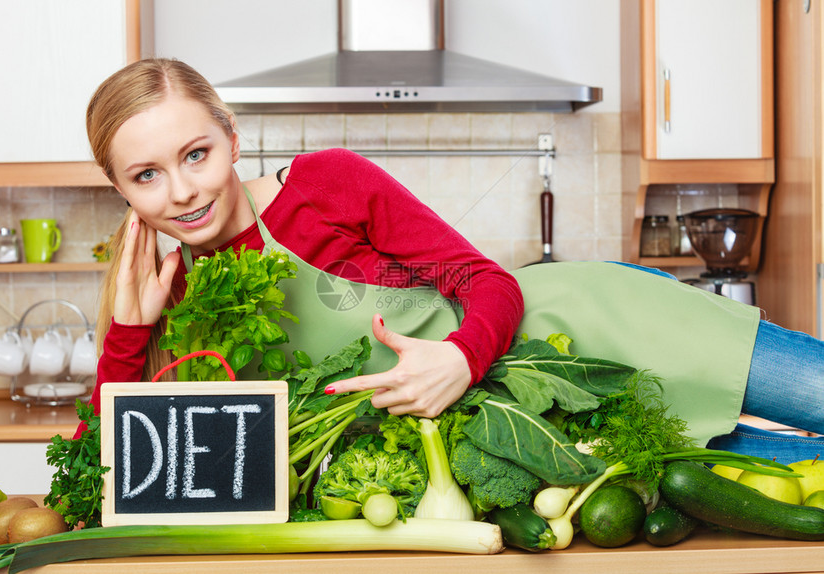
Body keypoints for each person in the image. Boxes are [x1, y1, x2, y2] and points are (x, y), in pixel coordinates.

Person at [81, 58, 824, 462]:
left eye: (196, 155)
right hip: (551, 431)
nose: (182, 191)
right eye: (146, 175)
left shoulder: (323, 184)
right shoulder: (167, 295)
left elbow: (485, 282)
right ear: (118, 187)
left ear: (232, 139)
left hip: (594, 321)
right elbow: (102, 474)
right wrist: (128, 332)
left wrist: (459, 359)